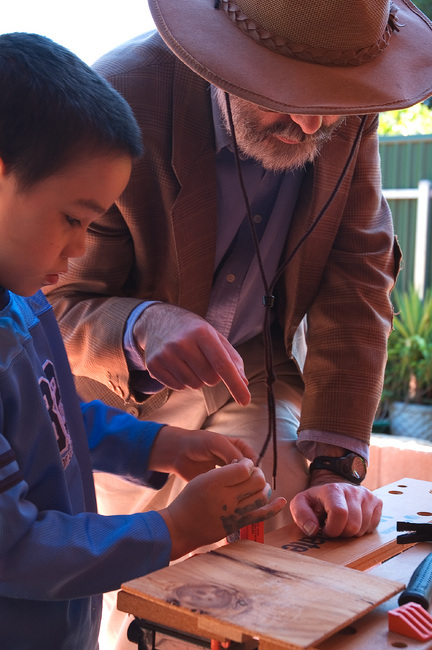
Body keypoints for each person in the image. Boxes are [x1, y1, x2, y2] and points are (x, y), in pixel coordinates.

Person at [44, 1, 432, 645]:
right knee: (122, 601)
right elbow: (52, 303)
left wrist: (335, 467)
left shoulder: (348, 110)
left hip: (257, 373)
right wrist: (142, 326)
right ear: (220, 54)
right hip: (114, 399)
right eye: (286, 92)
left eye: (332, 100)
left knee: (282, 566)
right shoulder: (117, 102)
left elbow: (358, 276)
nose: (313, 122)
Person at [0, 32, 285, 650]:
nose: (79, 251)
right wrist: (174, 529)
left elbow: (56, 422)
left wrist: (161, 445)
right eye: (73, 219)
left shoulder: (23, 301)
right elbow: (14, 548)